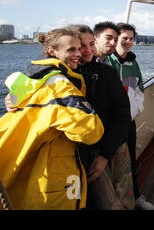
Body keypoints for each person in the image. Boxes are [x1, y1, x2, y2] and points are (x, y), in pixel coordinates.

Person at [0, 28, 104, 210]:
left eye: (79, 49)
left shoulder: (31, 77)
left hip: (26, 170)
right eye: (71, 50)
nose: (78, 54)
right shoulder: (60, 85)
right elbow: (90, 132)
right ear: (51, 51)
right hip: (55, 175)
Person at [68, 24, 135, 210]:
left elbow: (122, 114)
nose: (87, 50)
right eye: (81, 46)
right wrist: (15, 96)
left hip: (110, 145)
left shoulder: (106, 73)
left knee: (122, 199)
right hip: (84, 151)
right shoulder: (61, 76)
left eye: (91, 44)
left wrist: (105, 154)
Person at [107, 22, 154, 210]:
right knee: (111, 165)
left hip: (128, 122)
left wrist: (134, 111)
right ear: (116, 39)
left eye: (131, 39)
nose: (128, 42)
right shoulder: (105, 62)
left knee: (130, 161)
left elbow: (139, 89)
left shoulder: (132, 64)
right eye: (124, 38)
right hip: (110, 124)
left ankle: (135, 197)